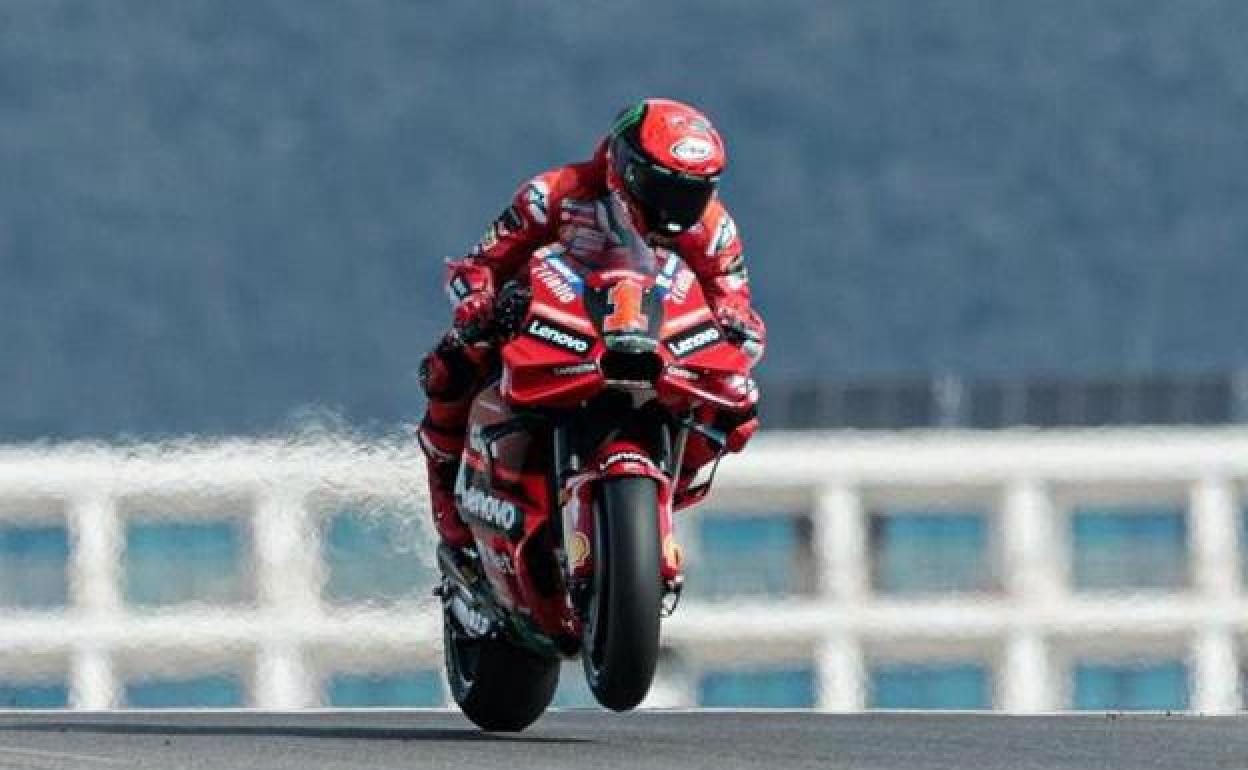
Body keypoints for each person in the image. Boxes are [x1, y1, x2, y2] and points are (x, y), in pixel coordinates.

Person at [418, 97, 765, 550]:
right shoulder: (553, 194)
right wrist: (481, 305)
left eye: (692, 193)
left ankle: (668, 488)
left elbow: (736, 305)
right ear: (625, 165)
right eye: (661, 189)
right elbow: (476, 267)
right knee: (450, 368)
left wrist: (735, 329)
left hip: (658, 344)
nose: (675, 209)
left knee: (739, 402)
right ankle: (450, 509)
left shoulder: (713, 228)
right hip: (554, 328)